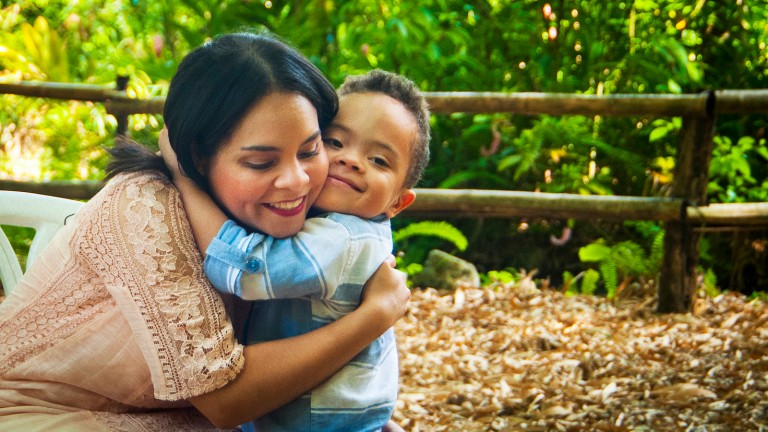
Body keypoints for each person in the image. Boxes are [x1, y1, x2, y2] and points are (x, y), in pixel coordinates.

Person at [0, 32, 410, 431]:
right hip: (39, 413)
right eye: (261, 163)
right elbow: (225, 400)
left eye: (310, 150)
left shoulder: (302, 228)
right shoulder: (146, 210)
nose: (297, 181)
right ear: (197, 155)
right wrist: (376, 315)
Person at [160, 69, 430, 431]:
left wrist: (183, 177)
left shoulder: (346, 238)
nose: (351, 160)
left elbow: (249, 270)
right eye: (335, 142)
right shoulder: (324, 223)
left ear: (399, 202)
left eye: (379, 160)